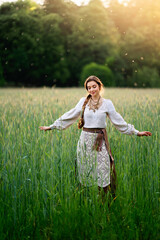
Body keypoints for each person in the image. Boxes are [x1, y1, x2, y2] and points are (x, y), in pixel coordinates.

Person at [39, 75, 152, 196]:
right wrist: (52, 126)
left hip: (100, 141)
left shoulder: (107, 103)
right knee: (85, 169)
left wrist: (136, 132)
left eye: (94, 86)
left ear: (99, 86)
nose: (92, 90)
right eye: (89, 88)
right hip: (85, 140)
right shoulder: (83, 102)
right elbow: (70, 115)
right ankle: (86, 199)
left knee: (103, 170)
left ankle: (104, 201)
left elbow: (119, 121)